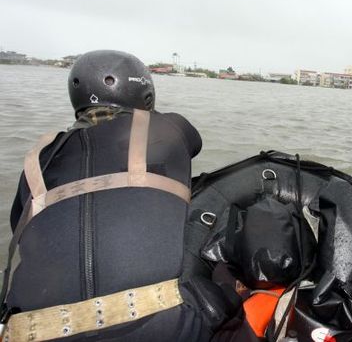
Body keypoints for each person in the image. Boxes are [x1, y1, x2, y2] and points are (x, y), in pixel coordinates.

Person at [0, 50, 257, 341]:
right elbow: (193, 141)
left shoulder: (38, 158)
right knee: (228, 286)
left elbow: (20, 227)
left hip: (32, 331)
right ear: (146, 96)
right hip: (160, 326)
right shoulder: (168, 128)